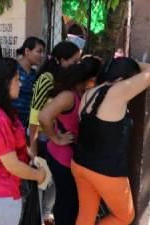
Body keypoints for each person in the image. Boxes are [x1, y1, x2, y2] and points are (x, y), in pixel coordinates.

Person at [72, 58, 150, 225]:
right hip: (106, 170)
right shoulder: (118, 90)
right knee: (125, 216)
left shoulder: (89, 93)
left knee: (85, 216)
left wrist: (118, 62)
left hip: (80, 164)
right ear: (121, 79)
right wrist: (135, 62)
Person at [0, 57, 46, 225]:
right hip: (1, 193)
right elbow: (12, 165)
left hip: (5, 189)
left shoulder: (3, 110)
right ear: (4, 83)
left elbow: (17, 143)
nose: (20, 84)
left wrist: (31, 156)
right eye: (17, 80)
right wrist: (39, 176)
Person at [38, 57, 102, 225]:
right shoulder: (68, 95)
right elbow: (44, 116)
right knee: (67, 201)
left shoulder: (82, 93)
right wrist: (56, 138)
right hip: (61, 157)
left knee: (70, 201)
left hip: (72, 157)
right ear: (91, 80)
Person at [28, 41, 81, 225]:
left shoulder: (63, 80)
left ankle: (44, 217)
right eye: (74, 62)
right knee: (42, 186)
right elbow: (35, 117)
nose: (77, 66)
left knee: (51, 187)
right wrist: (35, 150)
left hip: (53, 139)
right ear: (61, 60)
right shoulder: (47, 79)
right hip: (44, 139)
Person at [12, 36, 46, 128]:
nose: (42, 55)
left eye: (43, 52)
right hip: (9, 123)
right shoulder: (12, 68)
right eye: (39, 51)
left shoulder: (35, 75)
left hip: (24, 125)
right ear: (27, 51)